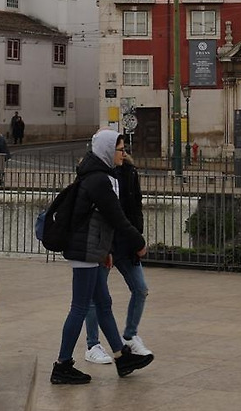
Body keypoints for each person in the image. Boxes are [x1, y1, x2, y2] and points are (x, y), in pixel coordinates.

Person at [51, 130, 153, 385]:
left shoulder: (98, 175)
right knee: (79, 307)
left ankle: (122, 357)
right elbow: (116, 217)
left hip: (93, 249)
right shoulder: (99, 180)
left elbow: (100, 220)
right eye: (120, 149)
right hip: (84, 250)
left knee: (104, 303)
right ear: (108, 150)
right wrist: (139, 243)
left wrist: (106, 251)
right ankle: (62, 365)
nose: (123, 154)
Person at [83, 143, 151, 366]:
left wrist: (137, 237)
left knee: (140, 289)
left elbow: (135, 208)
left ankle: (130, 335)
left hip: (126, 243)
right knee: (96, 297)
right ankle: (92, 344)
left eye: (123, 148)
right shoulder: (97, 176)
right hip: (105, 245)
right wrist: (106, 247)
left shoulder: (129, 172)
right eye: (119, 149)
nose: (124, 152)